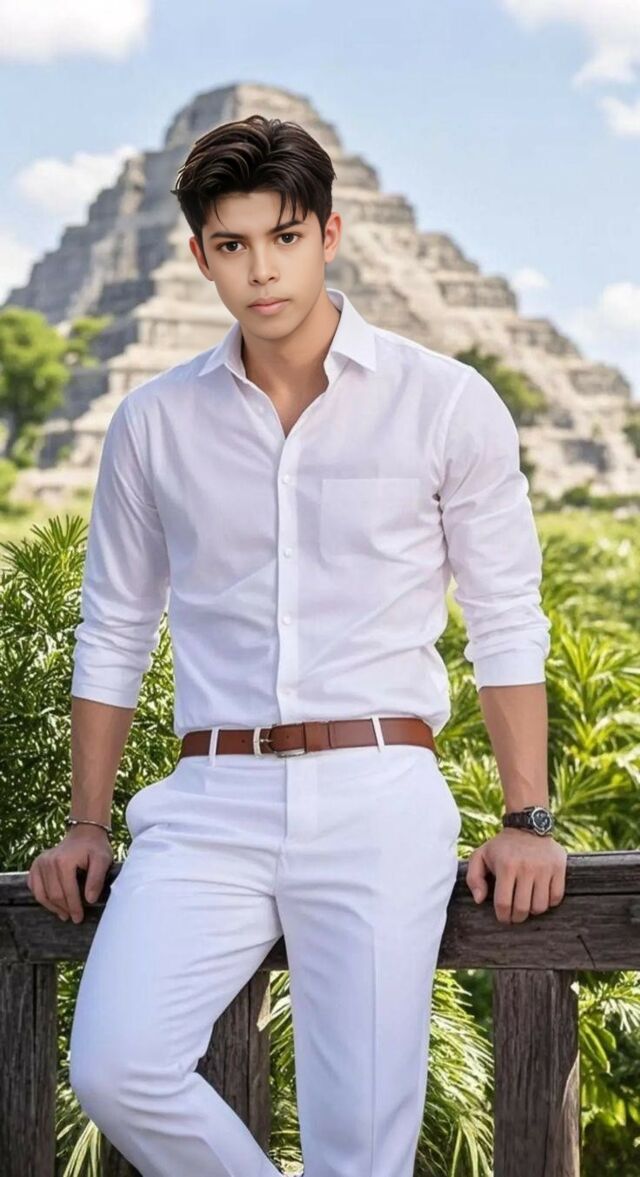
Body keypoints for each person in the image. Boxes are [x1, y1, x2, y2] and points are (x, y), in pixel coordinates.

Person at [27, 113, 567, 1177]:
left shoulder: (444, 402)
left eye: (282, 237)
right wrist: (86, 822)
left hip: (379, 796)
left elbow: (506, 617)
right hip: (207, 804)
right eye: (232, 245)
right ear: (200, 256)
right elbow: (115, 629)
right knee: (117, 1064)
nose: (261, 270)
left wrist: (528, 817)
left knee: (358, 1144)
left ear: (329, 233)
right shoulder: (153, 422)